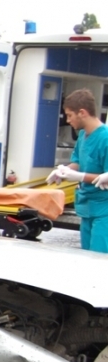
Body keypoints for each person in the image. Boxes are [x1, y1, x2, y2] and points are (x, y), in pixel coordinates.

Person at [47, 89, 108, 252]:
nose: (68, 120)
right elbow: (78, 161)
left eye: (69, 115)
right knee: (87, 257)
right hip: (87, 207)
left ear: (82, 113)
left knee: (100, 259)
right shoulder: (83, 135)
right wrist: (63, 170)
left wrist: (79, 176)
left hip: (104, 210)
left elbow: (106, 177)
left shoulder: (105, 138)